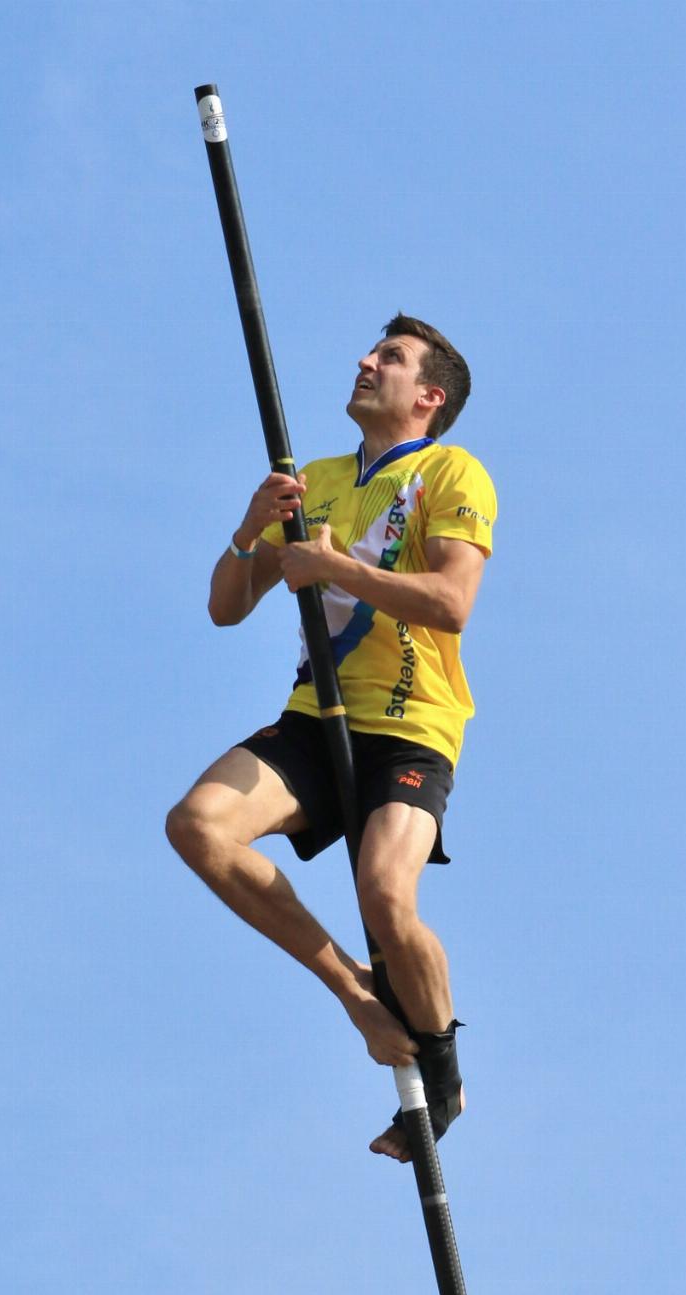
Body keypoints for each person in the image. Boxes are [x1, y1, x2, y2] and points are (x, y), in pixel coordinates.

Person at [166, 314, 496, 1162]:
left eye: (390, 357)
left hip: (412, 723)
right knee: (197, 827)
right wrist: (248, 530)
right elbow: (227, 606)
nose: (365, 361)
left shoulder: (450, 471)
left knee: (386, 895)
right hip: (317, 717)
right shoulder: (314, 480)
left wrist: (337, 568)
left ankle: (442, 1068)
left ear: (429, 397)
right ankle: (354, 991)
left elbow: (453, 602)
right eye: (371, 350)